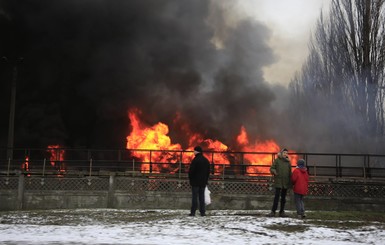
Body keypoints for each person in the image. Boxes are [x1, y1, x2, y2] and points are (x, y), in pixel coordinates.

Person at [268, 148, 292, 217]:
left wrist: (290, 183)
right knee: (276, 197)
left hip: (285, 182)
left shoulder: (288, 162)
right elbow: (271, 168)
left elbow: (290, 173)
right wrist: (274, 171)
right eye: (284, 153)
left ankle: (282, 212)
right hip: (278, 182)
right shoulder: (277, 160)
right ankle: (273, 211)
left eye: (286, 153)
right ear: (281, 153)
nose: (285, 154)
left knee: (283, 198)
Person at [188, 145, 211, 216]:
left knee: (195, 197)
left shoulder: (195, 160)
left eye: (194, 151)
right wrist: (206, 180)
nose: (193, 152)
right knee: (202, 197)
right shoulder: (206, 160)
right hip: (203, 182)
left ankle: (193, 212)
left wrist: (191, 179)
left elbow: (191, 171)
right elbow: (208, 172)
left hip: (195, 182)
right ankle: (203, 212)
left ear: (197, 151)